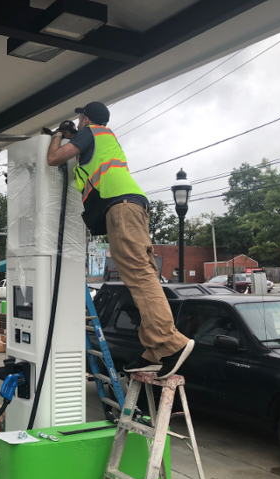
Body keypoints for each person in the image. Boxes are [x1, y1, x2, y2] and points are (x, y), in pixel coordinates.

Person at [47, 101, 194, 379]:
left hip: (122, 208)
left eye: (79, 120)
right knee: (142, 275)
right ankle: (154, 352)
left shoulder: (91, 132)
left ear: (85, 118)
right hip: (130, 207)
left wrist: (57, 134)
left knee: (139, 276)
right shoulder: (103, 139)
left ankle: (171, 344)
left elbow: (53, 158)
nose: (77, 125)